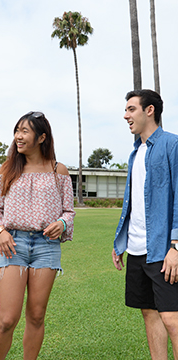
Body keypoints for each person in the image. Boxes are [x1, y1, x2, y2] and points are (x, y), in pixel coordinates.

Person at [0, 111, 75, 360]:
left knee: (36, 315)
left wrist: (62, 224)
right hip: (13, 244)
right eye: (17, 131)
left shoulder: (59, 171)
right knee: (7, 318)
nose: (18, 137)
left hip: (47, 246)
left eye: (25, 131)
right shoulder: (8, 168)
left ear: (42, 137)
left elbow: (69, 211)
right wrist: (0, 231)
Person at [112, 89, 178, 360]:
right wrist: (121, 242)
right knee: (150, 314)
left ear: (149, 110)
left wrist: (176, 246)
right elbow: (133, 203)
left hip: (164, 249)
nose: (125, 115)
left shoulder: (172, 145)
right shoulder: (135, 153)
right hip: (138, 249)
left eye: (131, 109)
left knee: (172, 319)